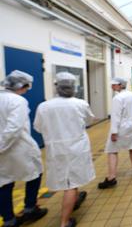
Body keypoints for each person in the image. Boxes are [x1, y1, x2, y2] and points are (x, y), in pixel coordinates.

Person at [34, 72, 95, 227]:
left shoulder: (44, 106)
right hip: (77, 148)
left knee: (66, 179)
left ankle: (72, 199)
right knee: (71, 183)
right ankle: (64, 222)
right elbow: (89, 120)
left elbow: (38, 127)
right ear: (74, 87)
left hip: (56, 149)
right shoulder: (80, 104)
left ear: (56, 87)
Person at [0, 70, 47, 227]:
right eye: (27, 87)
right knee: (35, 174)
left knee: (4, 182)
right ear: (22, 85)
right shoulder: (17, 101)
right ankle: (30, 208)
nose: (27, 90)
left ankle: (8, 219)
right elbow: (14, 128)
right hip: (18, 148)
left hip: (4, 151)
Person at [98, 77, 132, 189]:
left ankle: (111, 178)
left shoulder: (117, 98)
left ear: (120, 85)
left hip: (123, 126)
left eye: (113, 85)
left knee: (112, 149)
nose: (111, 87)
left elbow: (116, 116)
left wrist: (114, 132)